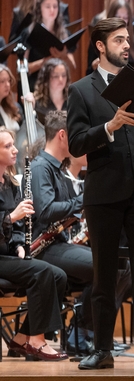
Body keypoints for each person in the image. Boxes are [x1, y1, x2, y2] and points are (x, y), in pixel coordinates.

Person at [67, 17, 134, 370]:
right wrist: (109, 127)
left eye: (128, 40)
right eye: (119, 40)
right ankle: (102, 349)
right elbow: (77, 143)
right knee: (105, 276)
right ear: (100, 46)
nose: (127, 45)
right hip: (105, 193)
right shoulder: (81, 90)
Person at [27, 111, 93, 353]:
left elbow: (64, 211)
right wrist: (83, 200)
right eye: (76, 134)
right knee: (106, 267)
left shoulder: (57, 169)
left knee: (118, 265)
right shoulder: (40, 167)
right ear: (63, 136)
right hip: (43, 248)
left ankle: (82, 333)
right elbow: (46, 211)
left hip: (58, 243)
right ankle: (79, 334)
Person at [0, 128, 69, 361]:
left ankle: (22, 337)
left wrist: (20, 245)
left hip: (8, 255)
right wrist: (11, 217)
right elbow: (13, 219)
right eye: (8, 146)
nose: (15, 149)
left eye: (13, 144)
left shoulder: (11, 184)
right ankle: (37, 342)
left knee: (58, 275)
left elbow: (18, 229)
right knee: (43, 272)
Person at [23, 0, 76, 92]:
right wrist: (47, 60)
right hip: (36, 87)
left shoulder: (65, 33)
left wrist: (64, 56)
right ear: (40, 8)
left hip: (60, 88)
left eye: (55, 6)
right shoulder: (29, 32)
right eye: (47, 6)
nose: (52, 10)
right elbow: (24, 68)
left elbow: (73, 68)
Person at [88, 0, 134, 73]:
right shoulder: (99, 38)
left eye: (125, 17)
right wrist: (94, 66)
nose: (121, 20)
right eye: (118, 16)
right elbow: (88, 72)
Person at [32, 58, 69, 124]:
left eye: (63, 75)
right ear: (47, 78)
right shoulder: (37, 103)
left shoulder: (72, 99)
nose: (61, 79)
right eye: (56, 76)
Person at [0, 64, 22, 132]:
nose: (7, 85)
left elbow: (24, 127)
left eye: (9, 80)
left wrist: (31, 109)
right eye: (2, 81)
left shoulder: (15, 106)